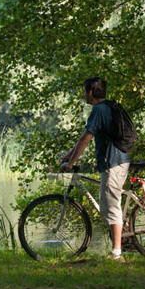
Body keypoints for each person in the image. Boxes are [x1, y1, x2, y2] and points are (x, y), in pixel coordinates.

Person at [60, 77, 131, 261]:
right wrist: (70, 154)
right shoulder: (107, 107)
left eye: (84, 91)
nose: (84, 94)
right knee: (107, 205)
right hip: (115, 162)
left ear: (90, 92)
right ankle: (121, 241)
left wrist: (71, 162)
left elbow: (86, 138)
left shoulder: (99, 110)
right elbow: (85, 137)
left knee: (112, 206)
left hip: (113, 162)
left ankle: (117, 253)